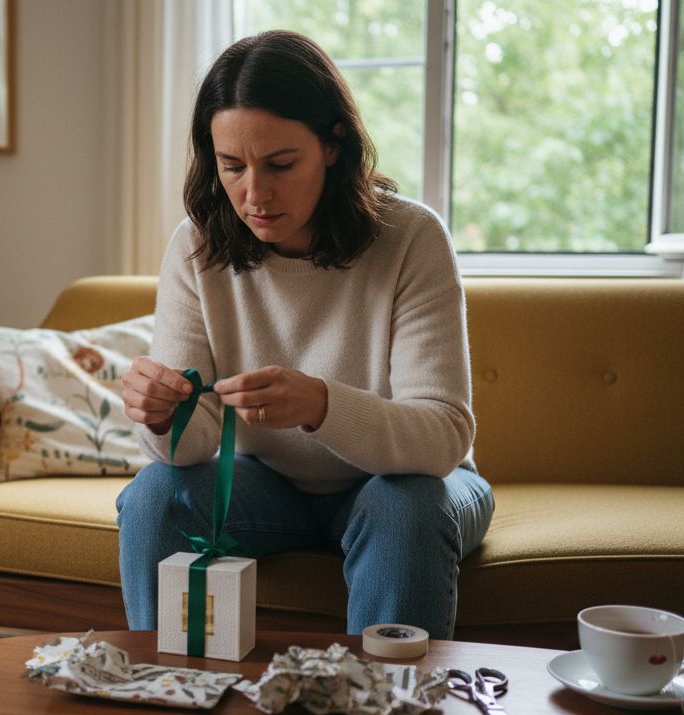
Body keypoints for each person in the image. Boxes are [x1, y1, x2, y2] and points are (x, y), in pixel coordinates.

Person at [115, 30, 494, 641]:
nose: (254, 194)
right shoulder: (197, 246)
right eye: (231, 166)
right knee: (156, 492)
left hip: (409, 486)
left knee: (405, 508)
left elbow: (441, 440)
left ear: (333, 145)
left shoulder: (412, 238)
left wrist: (321, 404)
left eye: (281, 165)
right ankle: (170, 702)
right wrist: (162, 417)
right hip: (270, 489)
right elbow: (192, 446)